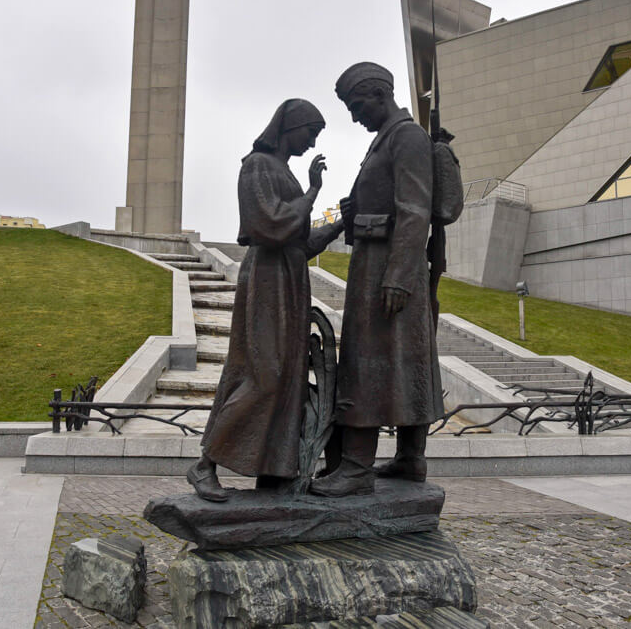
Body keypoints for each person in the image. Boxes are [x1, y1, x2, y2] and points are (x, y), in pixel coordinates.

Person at [187, 99, 344, 502]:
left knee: (288, 376)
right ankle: (206, 463)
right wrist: (312, 192)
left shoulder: (282, 170)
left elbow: (300, 243)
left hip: (289, 277)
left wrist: (342, 220)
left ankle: (274, 471)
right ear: (290, 127)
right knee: (265, 373)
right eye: (310, 133)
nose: (312, 143)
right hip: (269, 279)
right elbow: (269, 226)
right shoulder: (257, 165)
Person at [310, 62, 441, 498]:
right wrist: (354, 211)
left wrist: (400, 275)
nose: (353, 116)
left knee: (368, 362)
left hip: (387, 268)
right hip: (378, 261)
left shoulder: (405, 136)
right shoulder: (387, 139)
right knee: (403, 359)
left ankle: (356, 466)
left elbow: (415, 209)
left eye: (356, 105)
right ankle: (410, 457)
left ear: (379, 95)